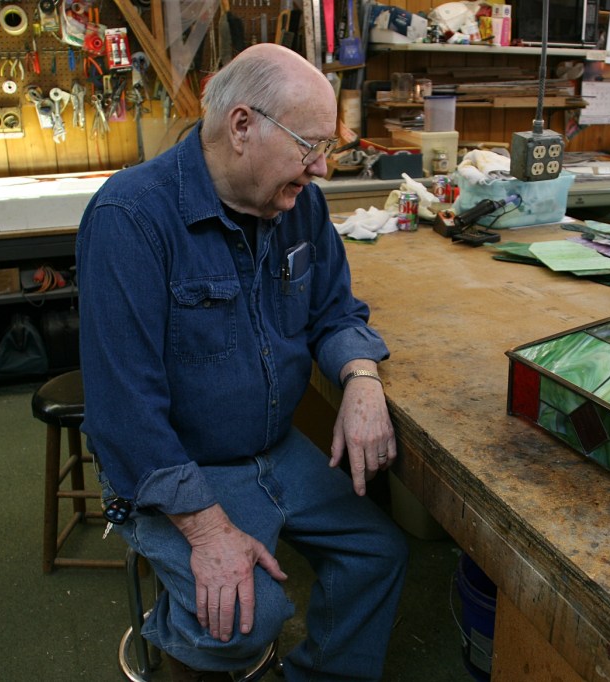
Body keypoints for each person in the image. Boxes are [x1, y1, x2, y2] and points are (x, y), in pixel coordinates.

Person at [76, 43, 408, 682]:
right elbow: (125, 412)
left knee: (378, 552)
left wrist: (361, 377)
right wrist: (206, 533)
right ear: (242, 126)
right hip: (179, 467)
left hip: (275, 449)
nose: (322, 170)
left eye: (328, 150)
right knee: (241, 620)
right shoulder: (132, 218)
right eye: (310, 146)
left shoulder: (297, 202)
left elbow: (337, 313)